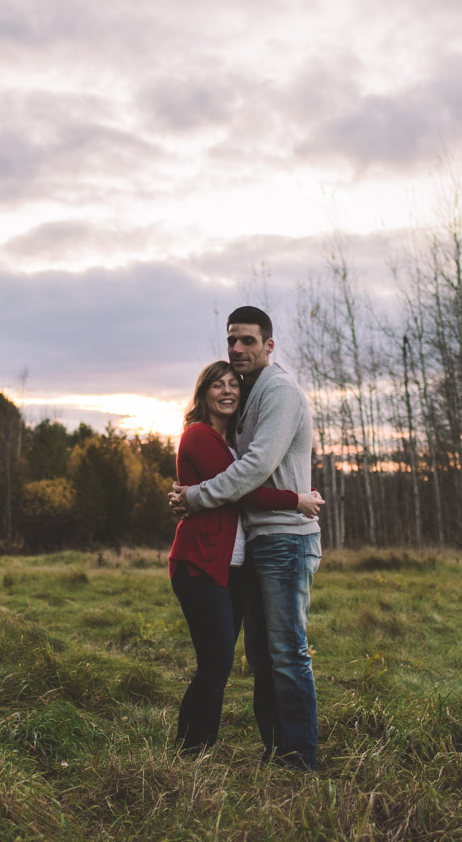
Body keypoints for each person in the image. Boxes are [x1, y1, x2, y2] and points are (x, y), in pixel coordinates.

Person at [170, 306, 321, 770]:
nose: (237, 349)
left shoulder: (278, 391)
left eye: (248, 341)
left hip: (285, 538)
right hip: (261, 540)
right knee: (262, 656)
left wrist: (194, 497)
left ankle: (299, 759)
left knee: (286, 653)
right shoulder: (247, 398)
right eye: (231, 340)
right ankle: (276, 750)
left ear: (269, 345)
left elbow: (253, 469)